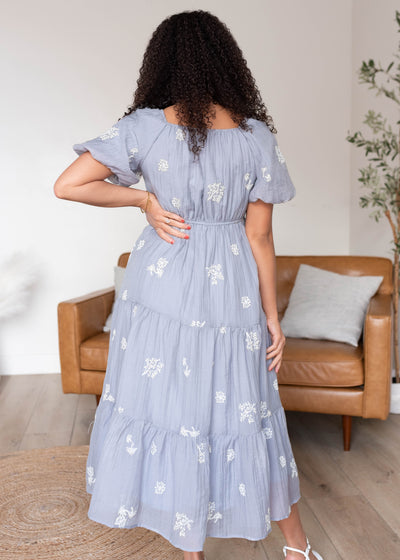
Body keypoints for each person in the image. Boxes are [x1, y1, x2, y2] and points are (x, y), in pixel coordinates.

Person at [54, 9, 324, 560]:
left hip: (162, 281)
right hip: (235, 288)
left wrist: (143, 200)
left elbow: (67, 185)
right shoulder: (256, 137)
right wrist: (273, 317)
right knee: (248, 411)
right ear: (228, 64)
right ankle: (298, 550)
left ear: (163, 65)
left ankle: (190, 549)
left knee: (172, 409)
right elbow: (262, 237)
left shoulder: (145, 128)